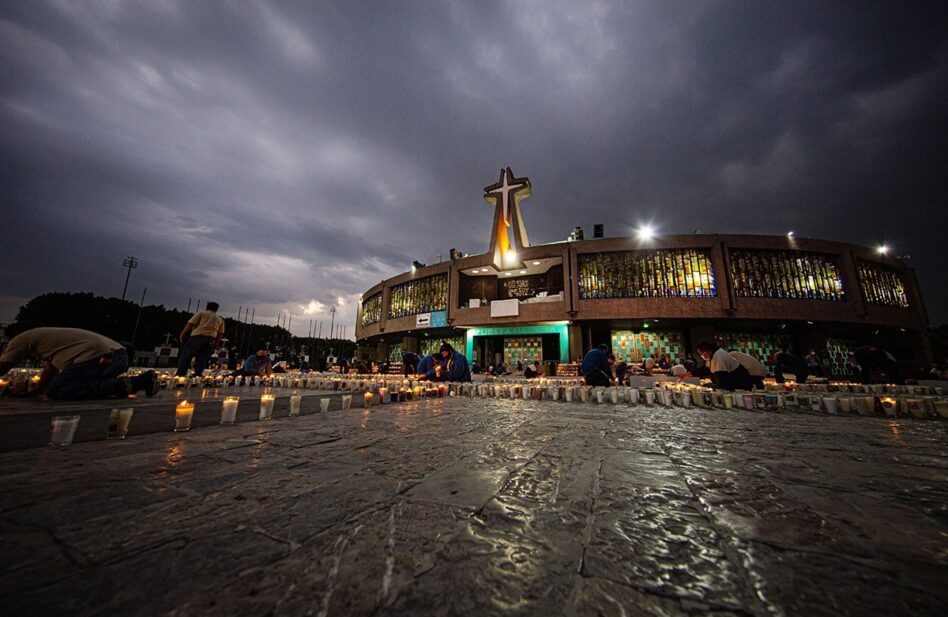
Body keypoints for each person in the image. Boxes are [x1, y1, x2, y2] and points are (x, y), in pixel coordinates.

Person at [0, 325, 158, 399]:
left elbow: (3, 366)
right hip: (118, 357)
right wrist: (36, 391)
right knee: (72, 384)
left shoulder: (19, 339)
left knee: (58, 391)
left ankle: (130, 384)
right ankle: (138, 381)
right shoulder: (44, 340)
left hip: (101, 357)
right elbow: (50, 369)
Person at [176, 301, 224, 378]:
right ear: (216, 309)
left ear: (207, 307)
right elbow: (219, 334)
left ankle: (181, 373)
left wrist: (182, 334)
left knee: (187, 355)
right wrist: (216, 344)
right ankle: (198, 374)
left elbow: (190, 324)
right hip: (210, 339)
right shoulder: (219, 319)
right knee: (202, 357)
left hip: (197, 337)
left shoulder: (201, 314)